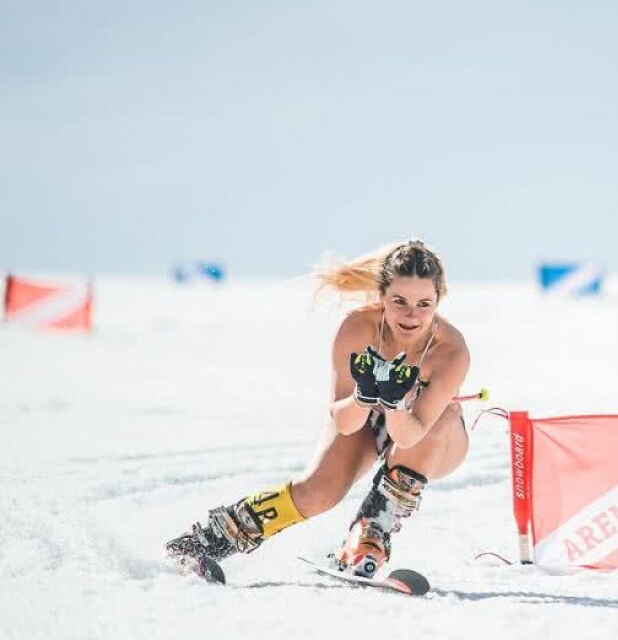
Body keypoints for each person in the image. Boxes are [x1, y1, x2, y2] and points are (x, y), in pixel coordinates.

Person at [165, 239, 471, 582]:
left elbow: (410, 434)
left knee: (438, 423)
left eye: (423, 304)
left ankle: (369, 535)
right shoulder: (358, 328)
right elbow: (342, 421)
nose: (411, 316)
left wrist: (397, 402)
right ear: (382, 297)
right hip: (364, 418)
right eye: (399, 302)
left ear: (438, 301)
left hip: (430, 436)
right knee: (319, 491)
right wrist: (364, 396)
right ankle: (209, 539)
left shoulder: (450, 351)